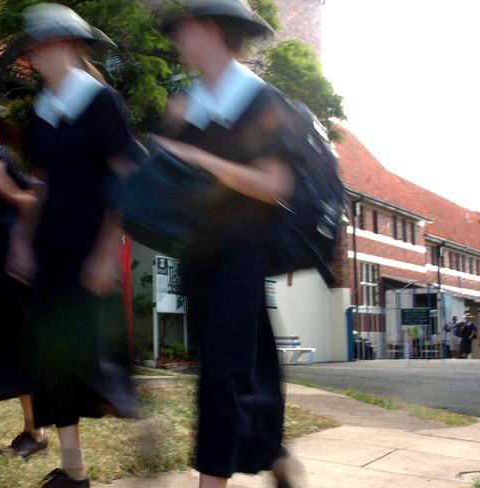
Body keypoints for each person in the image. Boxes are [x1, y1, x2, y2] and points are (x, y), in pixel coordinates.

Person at [154, 1, 303, 486]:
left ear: (212, 29)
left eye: (185, 28)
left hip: (242, 253)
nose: (176, 38)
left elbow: (276, 183)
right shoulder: (187, 103)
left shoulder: (260, 101)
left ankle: (212, 480)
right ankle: (273, 450)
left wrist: (200, 159)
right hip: (200, 254)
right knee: (244, 367)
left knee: (220, 378)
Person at [4, 4, 137, 487]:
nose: (33, 56)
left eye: (40, 45)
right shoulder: (41, 113)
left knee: (95, 365)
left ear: (69, 46)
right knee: (54, 360)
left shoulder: (102, 103)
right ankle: (74, 469)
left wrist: (107, 251)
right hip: (50, 252)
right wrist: (21, 238)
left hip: (90, 251)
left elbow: (125, 178)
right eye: (31, 49)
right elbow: (39, 184)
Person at [0, 108, 49, 459]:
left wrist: (6, 190)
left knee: (18, 350)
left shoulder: (1, 159)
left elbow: (33, 203)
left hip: (6, 276)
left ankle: (35, 431)